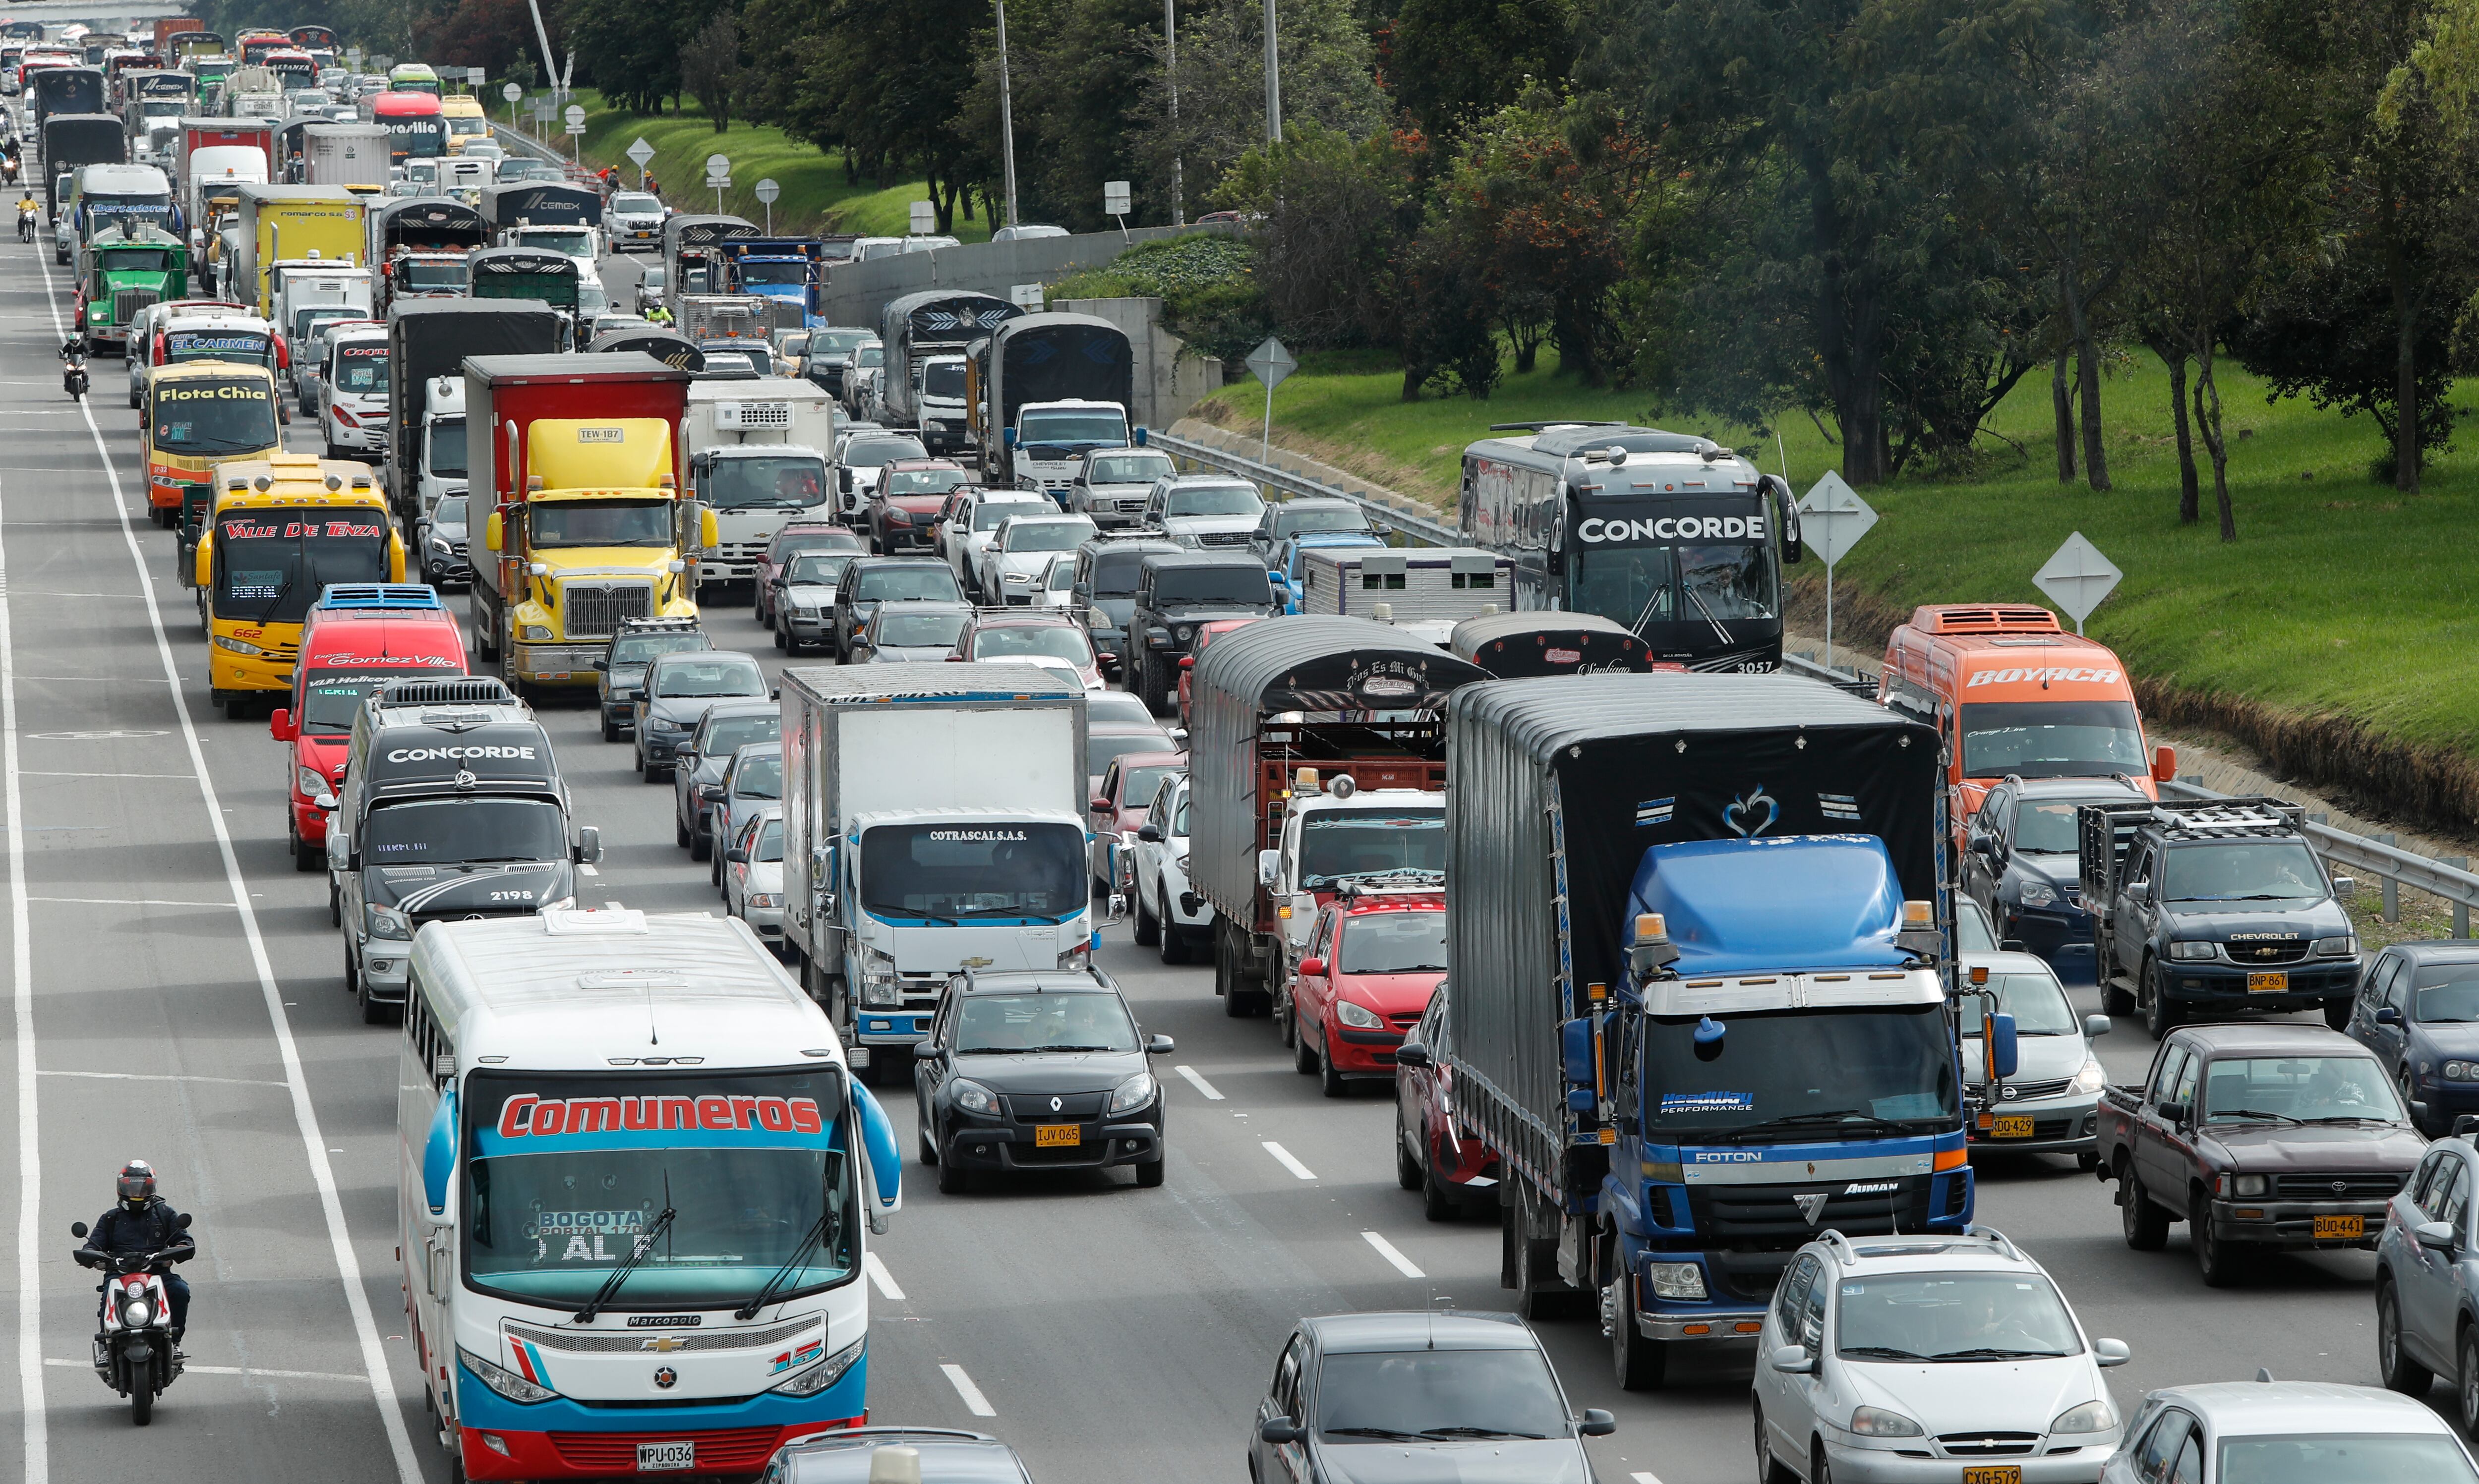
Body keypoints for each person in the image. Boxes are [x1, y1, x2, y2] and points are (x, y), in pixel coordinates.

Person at [78, 1160, 195, 1348]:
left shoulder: (165, 1214)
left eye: (143, 1188)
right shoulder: (110, 1218)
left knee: (180, 1290)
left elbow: (184, 1240)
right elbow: (92, 1246)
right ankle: (108, 1346)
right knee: (108, 1295)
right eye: (132, 1188)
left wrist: (177, 1250)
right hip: (120, 1274)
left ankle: (174, 1342)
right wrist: (92, 1256)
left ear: (153, 1188)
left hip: (157, 1273)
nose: (137, 1194)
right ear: (121, 1188)